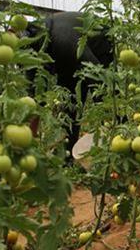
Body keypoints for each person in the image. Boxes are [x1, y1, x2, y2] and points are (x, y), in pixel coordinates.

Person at [24, 12, 115, 159]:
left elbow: (98, 76)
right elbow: (36, 95)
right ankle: (68, 154)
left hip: (100, 44)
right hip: (65, 51)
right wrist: (30, 137)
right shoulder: (28, 47)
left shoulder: (64, 41)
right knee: (69, 100)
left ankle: (118, 144)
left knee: (102, 94)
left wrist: (111, 117)